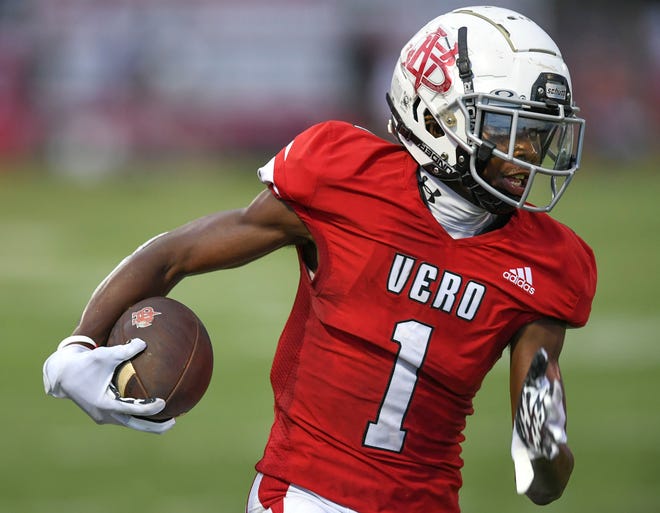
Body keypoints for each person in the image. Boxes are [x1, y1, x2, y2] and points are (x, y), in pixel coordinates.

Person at [43, 6, 597, 513]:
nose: (527, 154)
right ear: (438, 118)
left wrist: (545, 446)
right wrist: (78, 344)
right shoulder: (347, 180)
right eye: (508, 128)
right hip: (306, 497)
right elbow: (175, 254)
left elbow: (542, 482)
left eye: (540, 133)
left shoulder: (547, 263)